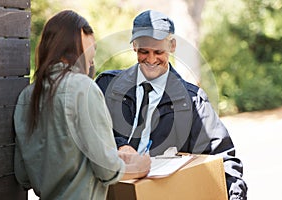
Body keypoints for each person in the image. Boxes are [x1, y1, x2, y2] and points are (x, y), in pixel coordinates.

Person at [96, 10, 247, 199]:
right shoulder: (106, 86)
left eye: (158, 52)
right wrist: (120, 146)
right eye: (144, 51)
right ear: (134, 46)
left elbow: (223, 157)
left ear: (172, 46)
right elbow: (89, 133)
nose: (151, 60)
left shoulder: (193, 101)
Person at [14, 10, 151, 200]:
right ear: (73, 49)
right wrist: (140, 167)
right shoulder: (83, 89)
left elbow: (23, 175)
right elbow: (106, 171)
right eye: (89, 56)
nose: (90, 65)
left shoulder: (27, 96)